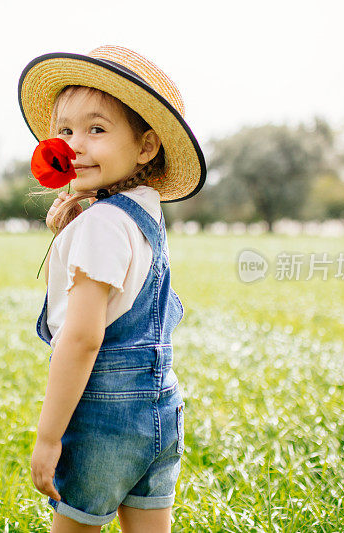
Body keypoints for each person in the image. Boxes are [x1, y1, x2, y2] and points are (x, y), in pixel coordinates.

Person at [17, 45, 207, 532]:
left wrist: (48, 436)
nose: (74, 145)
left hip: (105, 418)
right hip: (160, 410)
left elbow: (82, 339)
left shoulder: (103, 224)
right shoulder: (143, 212)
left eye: (96, 129)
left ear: (146, 147)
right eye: (65, 131)